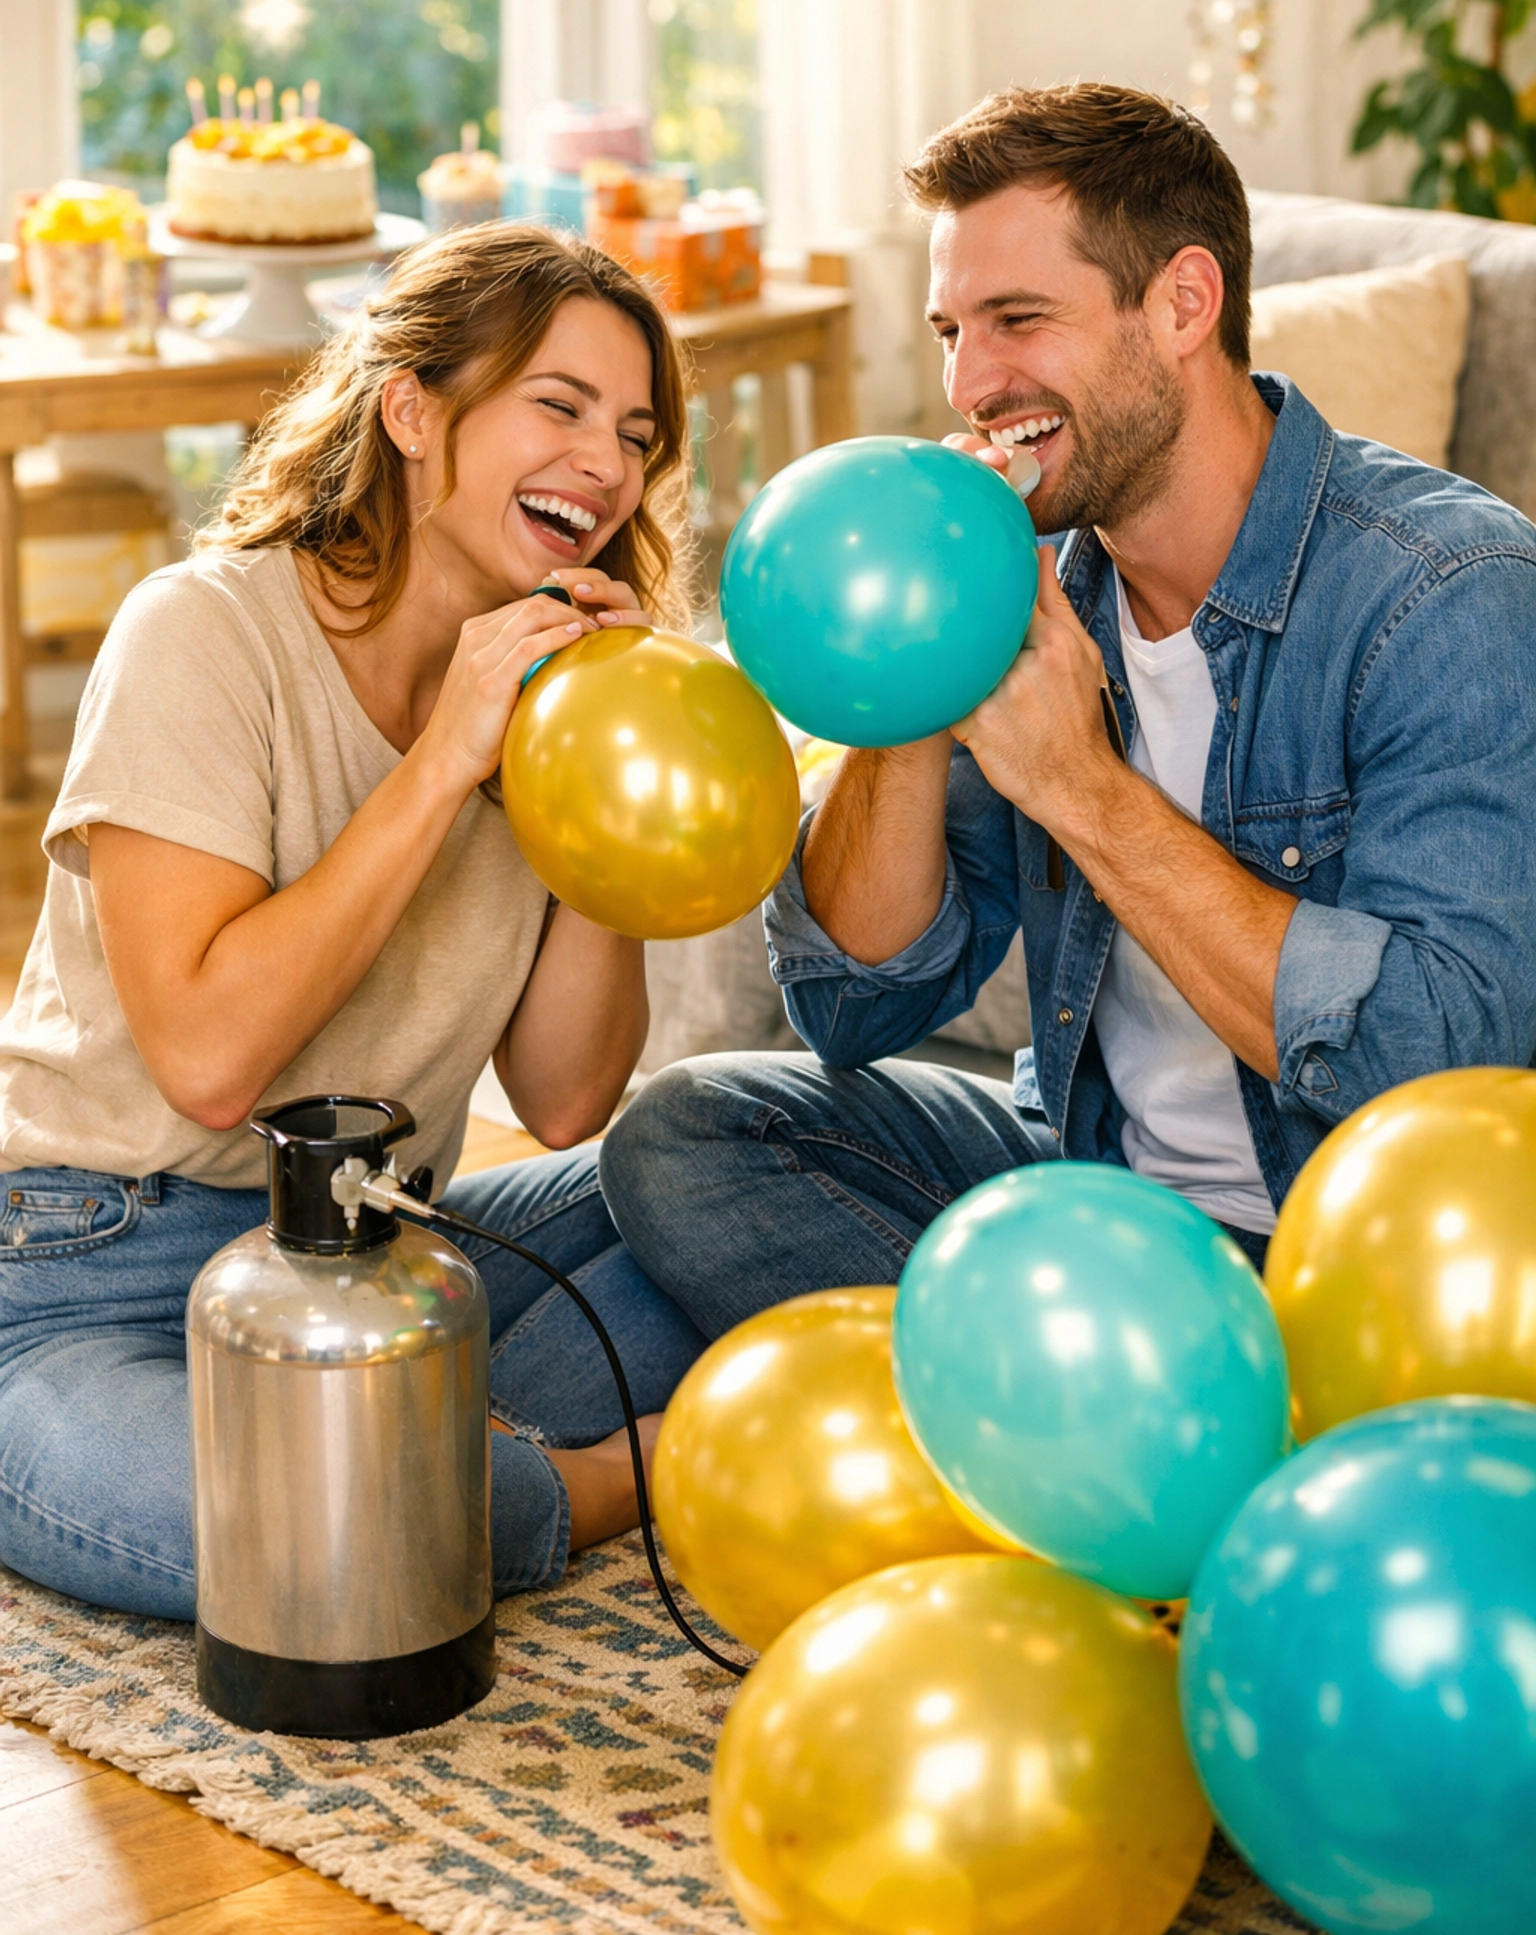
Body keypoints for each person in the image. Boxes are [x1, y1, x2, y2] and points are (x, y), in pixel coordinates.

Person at [600, 80, 1536, 1333]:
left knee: (579, 1313)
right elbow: (856, 1004)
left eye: (1017, 320)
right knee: (682, 1135)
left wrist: (1082, 788)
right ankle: (1045, 1392)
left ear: (1184, 304)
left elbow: (1434, 1071)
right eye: (949, 331)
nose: (971, 383)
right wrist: (909, 686)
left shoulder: (1445, 595)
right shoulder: (1037, 590)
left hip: (1354, 1254)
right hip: (1088, 1190)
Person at [0, 222, 707, 1620]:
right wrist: (443, 760)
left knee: (733, 1176)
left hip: (381, 1269)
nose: (606, 465)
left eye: (632, 435)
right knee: (331, 1537)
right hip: (90, 1283)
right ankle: (617, 1479)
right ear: (413, 412)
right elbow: (210, 1060)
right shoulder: (201, 631)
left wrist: (604, 780)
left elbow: (567, 1098)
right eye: (556, 407)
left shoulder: (542, 701)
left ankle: (450, 1458)